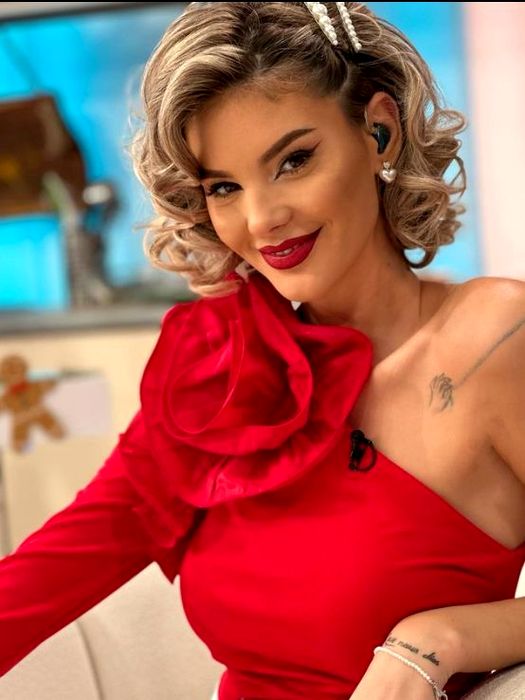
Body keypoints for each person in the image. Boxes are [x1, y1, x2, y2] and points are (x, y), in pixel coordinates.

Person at [1, 2, 524, 699]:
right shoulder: (218, 373)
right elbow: (42, 580)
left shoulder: (496, 340)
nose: (261, 219)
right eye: (224, 186)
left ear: (378, 131)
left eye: (294, 161)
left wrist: (442, 639)